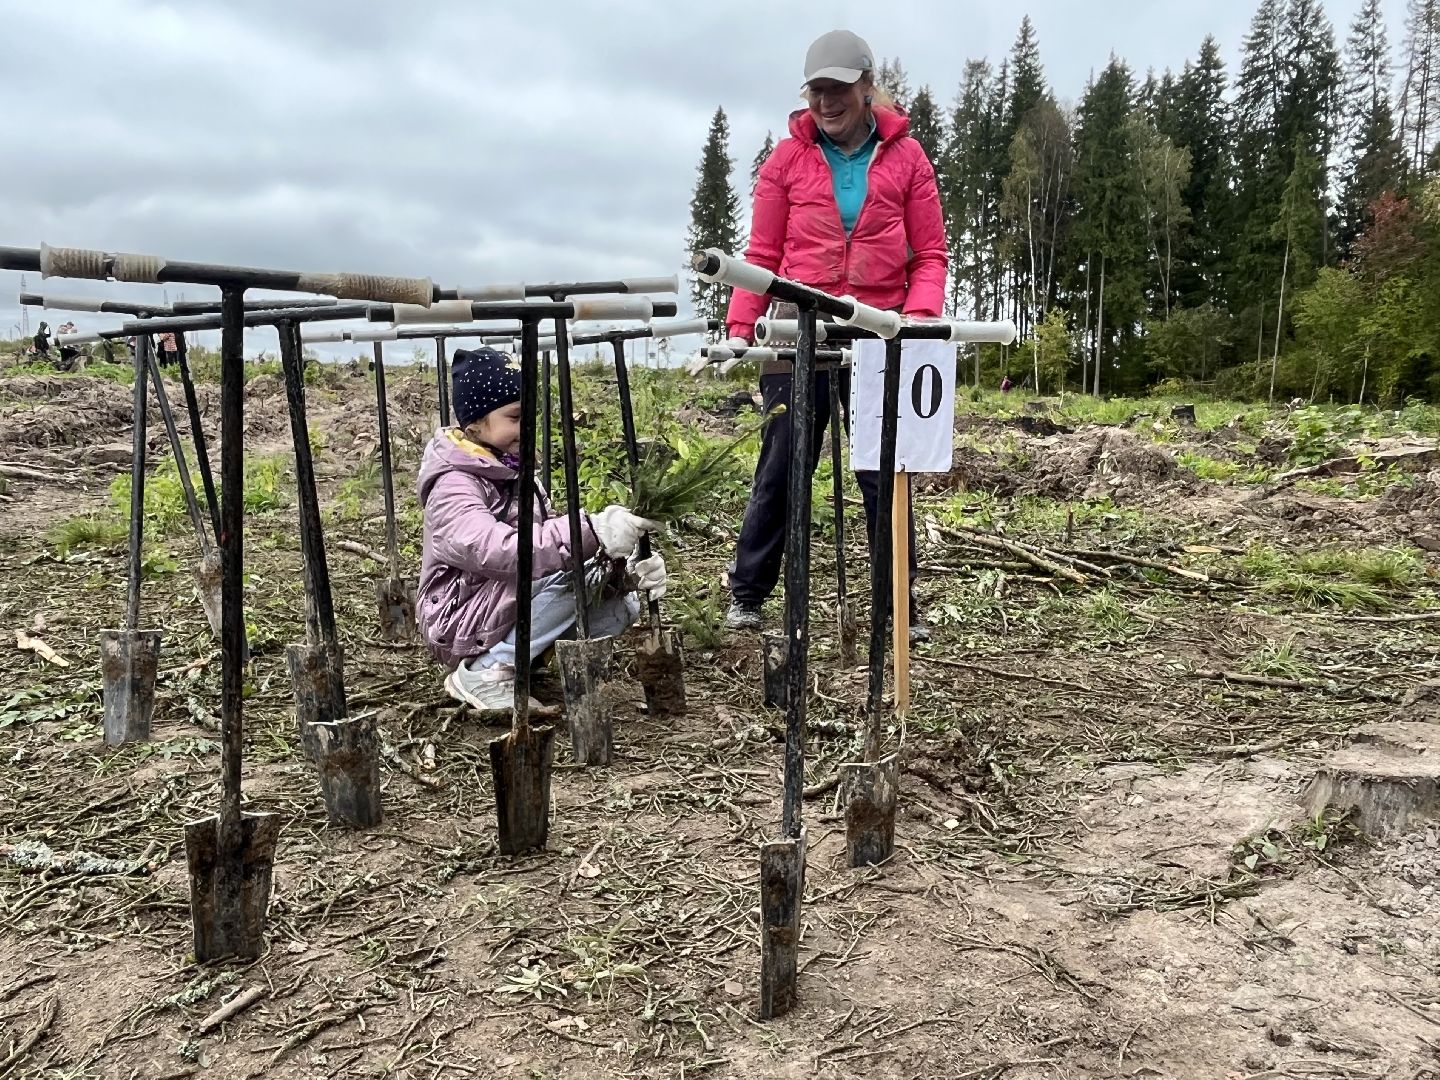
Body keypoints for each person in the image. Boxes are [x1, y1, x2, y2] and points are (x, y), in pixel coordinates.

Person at [722, 29, 948, 642]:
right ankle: (747, 593)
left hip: (877, 331)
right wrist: (743, 324)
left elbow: (929, 255)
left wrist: (918, 321)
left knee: (883, 469)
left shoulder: (907, 157)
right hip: (798, 328)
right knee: (784, 459)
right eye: (817, 91)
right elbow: (763, 252)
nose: (827, 103)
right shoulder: (787, 159)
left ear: (867, 87)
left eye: (839, 89)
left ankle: (897, 605)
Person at [415, 347, 668, 710]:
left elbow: (550, 545)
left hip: (493, 604)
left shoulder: (515, 471)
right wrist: (590, 531)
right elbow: (493, 550)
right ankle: (483, 672)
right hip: (458, 616)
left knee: (619, 606)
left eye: (529, 414)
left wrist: (620, 568)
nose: (526, 426)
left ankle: (523, 660)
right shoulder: (454, 484)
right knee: (572, 579)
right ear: (474, 424)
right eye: (515, 416)